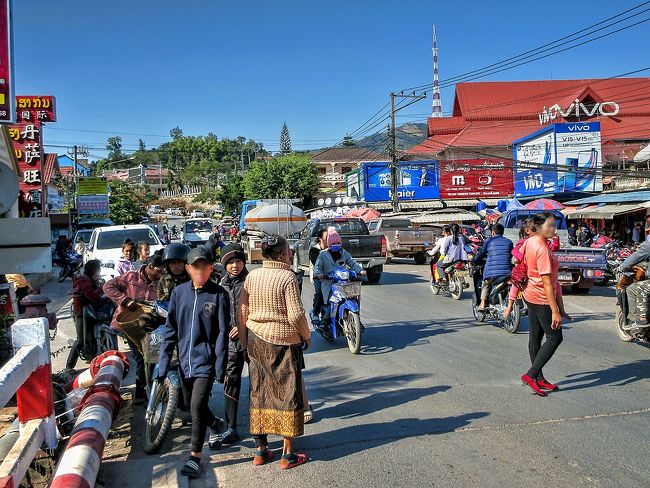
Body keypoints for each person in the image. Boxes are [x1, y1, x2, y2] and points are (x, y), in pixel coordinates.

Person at [238, 234, 311, 469]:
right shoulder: (287, 277)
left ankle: (261, 452)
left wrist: (244, 342)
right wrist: (306, 335)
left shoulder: (252, 275)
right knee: (287, 393)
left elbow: (243, 310)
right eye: (288, 251)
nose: (290, 254)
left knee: (259, 392)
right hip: (283, 342)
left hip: (256, 340)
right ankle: (287, 455)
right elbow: (296, 315)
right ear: (281, 254)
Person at [158, 246, 229, 478]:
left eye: (204, 267)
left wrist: (220, 366)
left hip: (205, 362)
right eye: (195, 267)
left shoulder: (219, 294)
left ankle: (195, 457)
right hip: (184, 362)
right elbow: (170, 329)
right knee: (189, 404)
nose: (200, 271)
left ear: (211, 268)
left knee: (197, 405)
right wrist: (164, 360)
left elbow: (221, 334)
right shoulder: (179, 293)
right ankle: (216, 425)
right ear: (188, 269)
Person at [104, 253, 165, 404]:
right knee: (140, 357)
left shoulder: (161, 283)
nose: (161, 275)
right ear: (150, 267)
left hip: (149, 326)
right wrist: (124, 301)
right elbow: (108, 286)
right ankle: (139, 394)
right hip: (128, 326)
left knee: (153, 357)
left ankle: (155, 392)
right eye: (159, 271)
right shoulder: (131, 277)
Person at [520, 212, 565, 397]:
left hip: (530, 293)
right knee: (555, 338)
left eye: (554, 225)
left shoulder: (530, 241)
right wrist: (555, 310)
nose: (553, 229)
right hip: (542, 297)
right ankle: (531, 375)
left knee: (536, 337)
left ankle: (539, 377)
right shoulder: (542, 249)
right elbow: (547, 282)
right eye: (550, 226)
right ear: (538, 227)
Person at [217, 243, 249, 446]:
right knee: (231, 381)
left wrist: (243, 325)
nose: (235, 266)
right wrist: (230, 327)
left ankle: (262, 425)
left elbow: (259, 307)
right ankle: (231, 427)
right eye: (230, 262)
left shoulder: (251, 281)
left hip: (253, 339)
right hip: (230, 341)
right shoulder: (221, 285)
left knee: (259, 382)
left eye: (238, 261)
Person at [314, 228, 365, 336]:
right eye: (334, 243)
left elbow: (352, 262)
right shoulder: (323, 254)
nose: (336, 244)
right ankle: (324, 323)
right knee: (331, 303)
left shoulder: (344, 253)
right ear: (329, 243)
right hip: (329, 283)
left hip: (344, 284)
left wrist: (359, 270)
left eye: (338, 242)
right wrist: (319, 274)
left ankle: (356, 320)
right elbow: (317, 267)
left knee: (354, 298)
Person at [66, 260, 105, 370]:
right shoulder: (85, 282)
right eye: (98, 270)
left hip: (89, 312)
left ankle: (91, 357)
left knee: (91, 336)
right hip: (81, 313)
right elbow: (93, 297)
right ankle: (69, 367)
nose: (100, 273)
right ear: (93, 271)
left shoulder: (91, 280)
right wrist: (102, 288)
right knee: (80, 340)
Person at [472, 223, 513, 312]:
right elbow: (509, 255)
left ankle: (482, 304)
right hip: (508, 272)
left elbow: (481, 254)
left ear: (493, 233)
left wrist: (474, 260)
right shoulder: (509, 242)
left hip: (492, 273)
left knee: (485, 285)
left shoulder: (489, 241)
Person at [617, 240, 650, 327]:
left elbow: (635, 257)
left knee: (632, 289)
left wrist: (621, 267)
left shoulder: (648, 246)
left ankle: (640, 318)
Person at [309, 228, 329, 327]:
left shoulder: (335, 249)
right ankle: (315, 313)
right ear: (320, 238)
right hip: (319, 277)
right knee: (320, 293)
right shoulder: (314, 250)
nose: (328, 240)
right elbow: (316, 264)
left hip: (333, 277)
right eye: (326, 237)